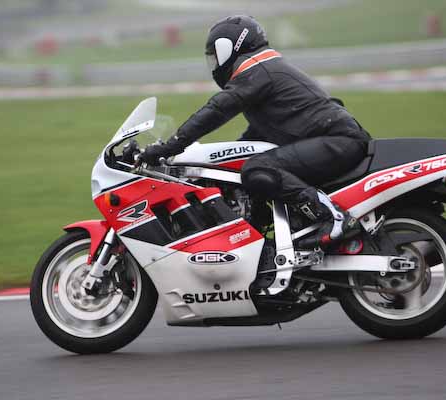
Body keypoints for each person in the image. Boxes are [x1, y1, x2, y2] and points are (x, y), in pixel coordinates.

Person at [139, 15, 371, 245]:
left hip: (338, 140)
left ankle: (333, 217)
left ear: (231, 48)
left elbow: (217, 110)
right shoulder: (267, 69)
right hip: (335, 139)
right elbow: (258, 133)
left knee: (258, 168)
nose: (216, 65)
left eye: (215, 57)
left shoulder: (257, 69)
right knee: (249, 168)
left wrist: (170, 146)